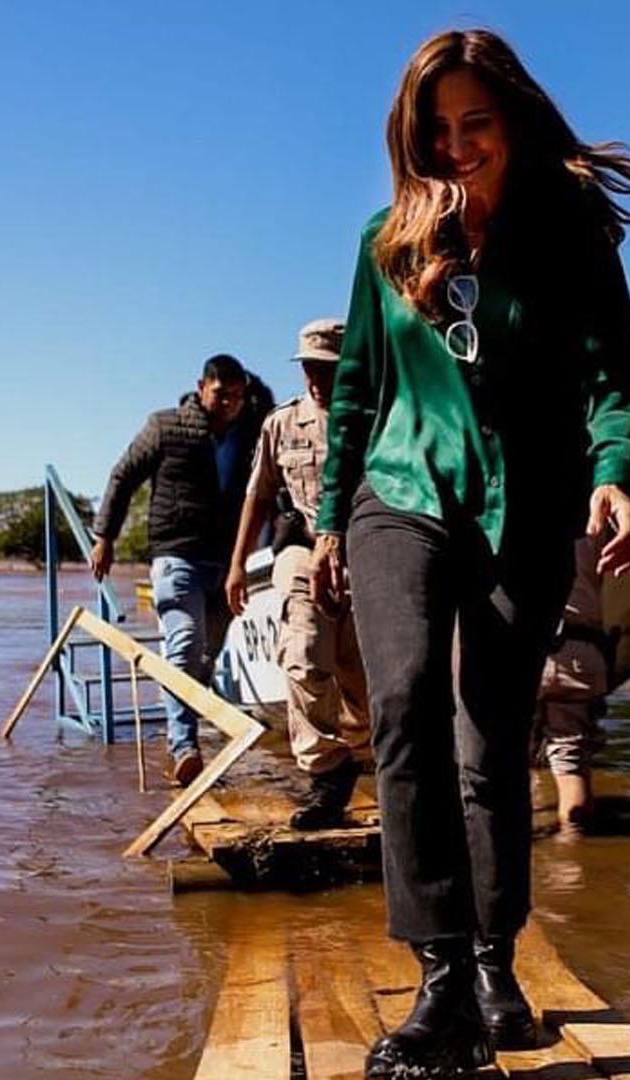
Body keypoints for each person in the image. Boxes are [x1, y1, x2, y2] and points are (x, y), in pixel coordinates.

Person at [309, 28, 630, 1078]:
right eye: (438, 129)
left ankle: (499, 961)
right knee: (406, 703)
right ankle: (440, 978)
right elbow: (358, 394)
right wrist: (331, 517)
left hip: (526, 507)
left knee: (491, 740)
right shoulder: (389, 241)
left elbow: (620, 387)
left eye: (477, 124)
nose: (458, 148)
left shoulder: (571, 246)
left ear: (511, 122)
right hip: (400, 499)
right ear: (413, 139)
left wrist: (615, 471)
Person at [225, 318, 371, 831]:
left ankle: (367, 756)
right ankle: (327, 776)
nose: (315, 379)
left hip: (367, 558)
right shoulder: (280, 423)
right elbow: (258, 495)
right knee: (305, 654)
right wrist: (238, 564)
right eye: (308, 368)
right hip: (303, 552)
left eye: (326, 369)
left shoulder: (379, 417)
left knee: (364, 675)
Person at [91, 354, 248, 785]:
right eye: (221, 395)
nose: (228, 404)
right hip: (177, 556)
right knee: (182, 644)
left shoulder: (249, 435)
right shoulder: (166, 426)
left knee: (206, 656)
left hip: (227, 562)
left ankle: (186, 730)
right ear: (202, 387)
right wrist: (104, 536)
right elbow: (123, 476)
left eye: (236, 397)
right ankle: (184, 746)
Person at [531, 537, 610, 835]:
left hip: (525, 647)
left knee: (510, 760)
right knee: (571, 759)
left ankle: (523, 858)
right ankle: (573, 855)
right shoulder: (593, 515)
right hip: (582, 649)